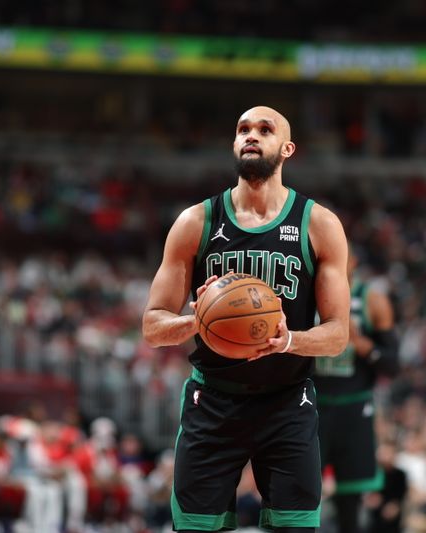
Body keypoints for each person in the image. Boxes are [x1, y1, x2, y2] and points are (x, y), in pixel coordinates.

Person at [142, 105, 350, 532]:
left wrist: (288, 340)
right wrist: (194, 322)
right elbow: (152, 326)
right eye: (242, 129)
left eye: (264, 129)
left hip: (288, 401)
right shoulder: (196, 222)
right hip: (213, 401)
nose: (251, 135)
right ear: (234, 144)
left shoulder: (320, 225)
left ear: (287, 148)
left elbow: (337, 335)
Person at [314, 244, 399, 533]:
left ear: (354, 262)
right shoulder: (305, 295)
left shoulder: (372, 301)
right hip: (313, 406)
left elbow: (392, 365)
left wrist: (361, 344)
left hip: (354, 407)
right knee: (301, 491)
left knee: (350, 498)